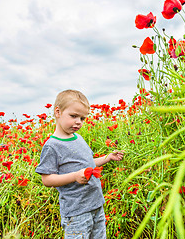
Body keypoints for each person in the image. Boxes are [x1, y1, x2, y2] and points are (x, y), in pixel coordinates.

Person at [35, 89, 124, 238]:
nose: (78, 122)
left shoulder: (78, 138)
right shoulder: (52, 146)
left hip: (96, 205)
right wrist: (75, 176)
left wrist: (107, 157)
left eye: (82, 118)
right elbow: (47, 179)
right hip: (76, 213)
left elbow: (87, 164)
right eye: (74, 116)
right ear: (58, 112)